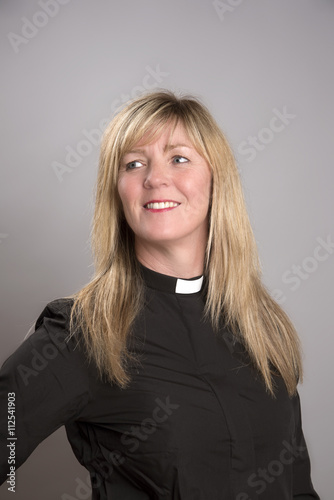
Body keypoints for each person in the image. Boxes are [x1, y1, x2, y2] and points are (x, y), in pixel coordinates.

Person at [0, 90, 319, 499]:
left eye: (179, 158)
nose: (154, 178)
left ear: (216, 178)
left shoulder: (261, 325)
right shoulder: (84, 333)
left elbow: (296, 487)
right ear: (117, 192)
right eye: (134, 164)